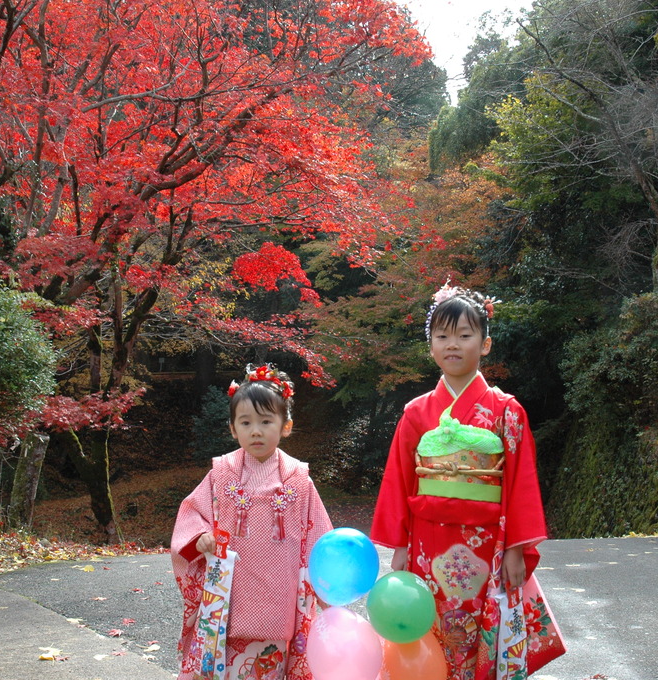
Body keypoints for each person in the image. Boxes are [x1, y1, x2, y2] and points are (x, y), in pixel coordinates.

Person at [371, 281, 549, 680]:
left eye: (465, 335)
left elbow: (521, 483)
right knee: (430, 626)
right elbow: (400, 480)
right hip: (426, 538)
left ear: (484, 344)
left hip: (489, 541)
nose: (453, 344)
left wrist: (518, 549)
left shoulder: (506, 411)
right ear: (431, 346)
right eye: (442, 336)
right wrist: (399, 545)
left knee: (484, 625)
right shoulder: (416, 412)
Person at [171, 364, 333, 680]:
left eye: (266, 421)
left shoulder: (298, 480)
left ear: (286, 426)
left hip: (279, 599)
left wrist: (329, 594)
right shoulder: (221, 474)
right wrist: (201, 535)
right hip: (227, 598)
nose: (255, 430)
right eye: (245, 422)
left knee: (269, 666)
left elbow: (319, 537)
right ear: (233, 429)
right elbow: (192, 512)